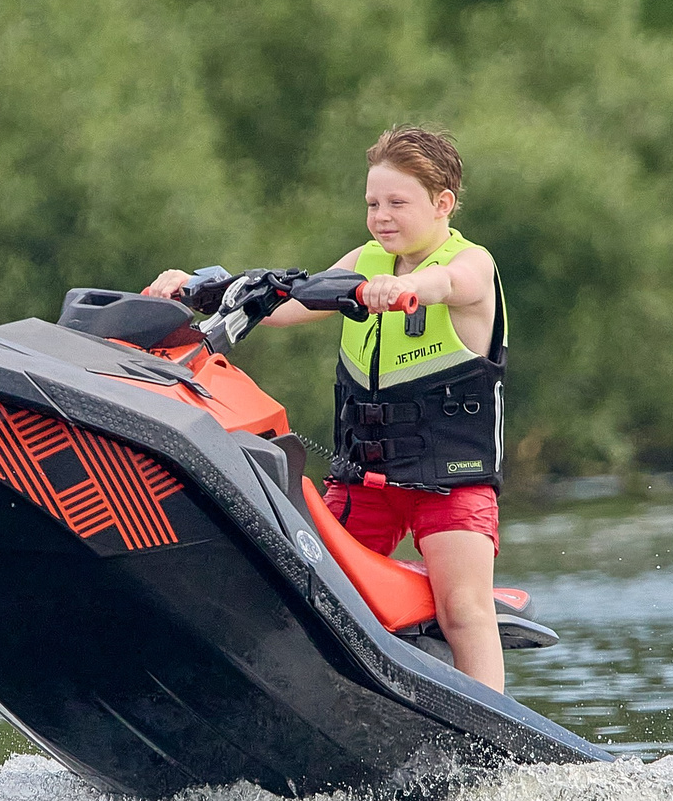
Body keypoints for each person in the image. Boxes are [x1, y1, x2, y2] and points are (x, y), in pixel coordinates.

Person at [147, 126, 509, 690]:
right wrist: (204, 290)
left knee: (463, 609)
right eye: (372, 203)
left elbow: (447, 283)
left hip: (451, 486)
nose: (381, 216)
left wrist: (408, 288)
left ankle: (493, 746)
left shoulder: (471, 264)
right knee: (302, 590)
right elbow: (288, 302)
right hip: (367, 485)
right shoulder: (366, 260)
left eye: (397, 203)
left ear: (441, 205)